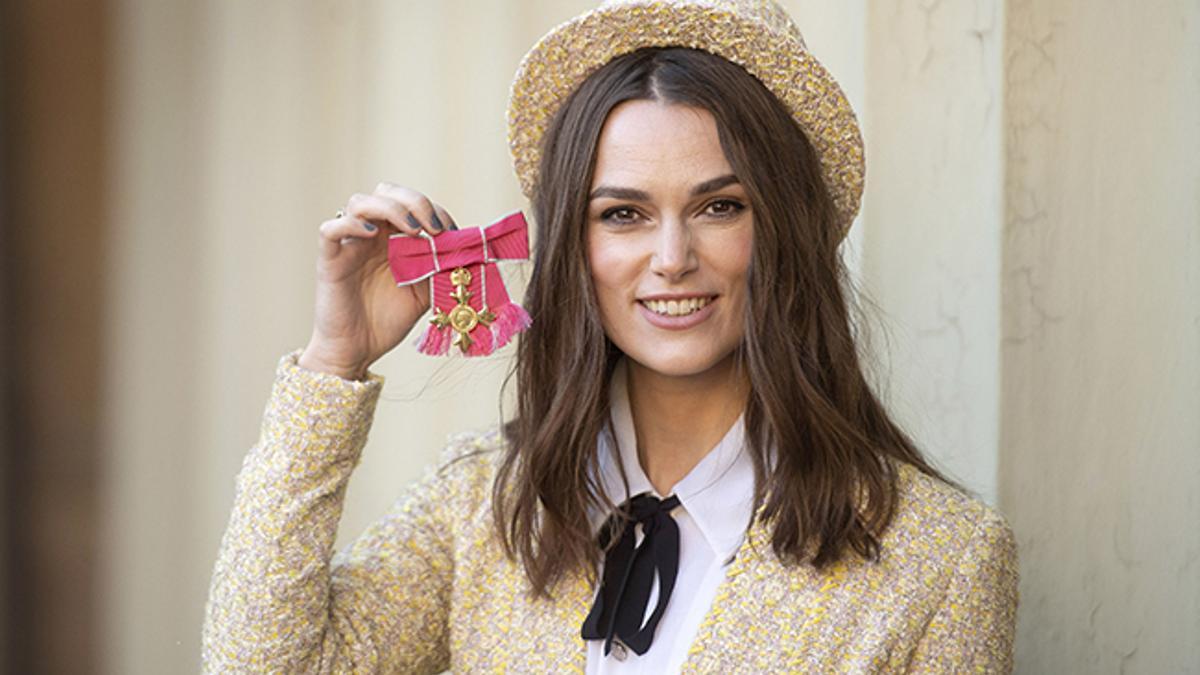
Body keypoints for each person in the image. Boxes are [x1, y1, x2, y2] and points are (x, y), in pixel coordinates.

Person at [202, 0, 1019, 672]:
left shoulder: (942, 560)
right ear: (573, 246)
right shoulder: (486, 505)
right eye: (623, 213)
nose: (671, 259)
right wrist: (332, 363)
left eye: (719, 206)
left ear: (783, 231)